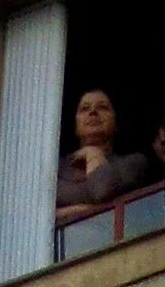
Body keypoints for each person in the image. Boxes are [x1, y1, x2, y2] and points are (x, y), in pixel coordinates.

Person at [55, 89, 154, 223]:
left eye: (102, 107)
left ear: (116, 123)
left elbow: (102, 191)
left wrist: (92, 153)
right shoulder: (56, 168)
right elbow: (38, 216)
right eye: (84, 109)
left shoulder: (132, 163)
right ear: (75, 126)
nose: (93, 112)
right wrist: (85, 210)